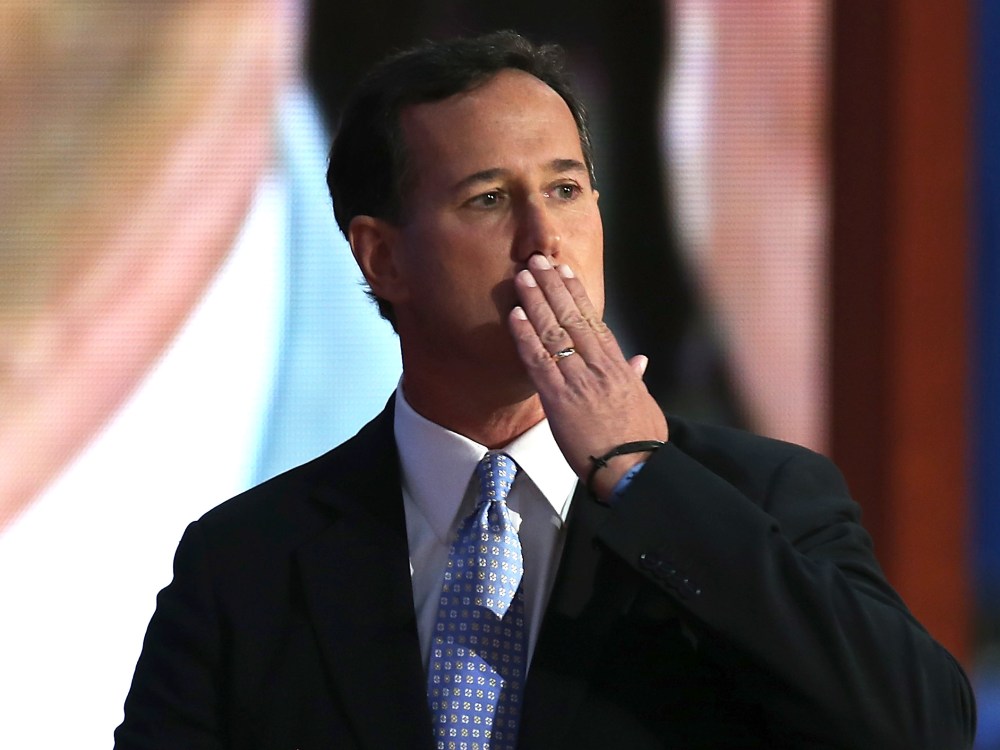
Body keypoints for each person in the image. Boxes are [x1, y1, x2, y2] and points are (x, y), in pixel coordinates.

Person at [115, 31, 975, 749]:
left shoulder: (761, 498)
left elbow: (920, 726)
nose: (545, 241)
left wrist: (643, 476)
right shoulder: (248, 563)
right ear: (382, 257)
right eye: (489, 200)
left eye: (565, 190)